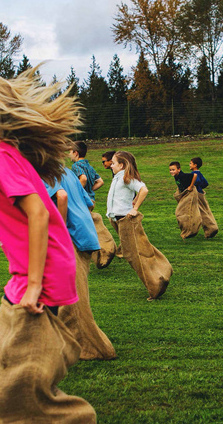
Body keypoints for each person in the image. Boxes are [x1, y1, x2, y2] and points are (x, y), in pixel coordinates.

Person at [0, 67, 110, 424]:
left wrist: (37, 283)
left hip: (39, 275)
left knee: (18, 372)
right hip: (26, 273)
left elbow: (40, 213)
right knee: (0, 361)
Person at [46, 166, 116, 360]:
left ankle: (93, 347)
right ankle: (66, 341)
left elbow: (61, 196)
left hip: (70, 238)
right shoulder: (66, 171)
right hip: (84, 235)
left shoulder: (44, 171)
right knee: (71, 291)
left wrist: (60, 230)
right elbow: (89, 203)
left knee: (73, 295)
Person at [107, 151, 172, 300]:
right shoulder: (118, 178)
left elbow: (144, 189)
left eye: (113, 163)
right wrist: (134, 200)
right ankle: (160, 275)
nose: (111, 165)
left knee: (134, 254)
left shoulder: (126, 178)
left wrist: (135, 208)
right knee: (136, 252)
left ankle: (156, 284)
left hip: (126, 220)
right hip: (118, 219)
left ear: (121, 165)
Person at [169, 161, 202, 239]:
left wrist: (191, 186)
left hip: (190, 193)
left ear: (179, 169)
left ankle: (188, 231)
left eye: (173, 170)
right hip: (184, 193)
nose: (171, 172)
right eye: (170, 170)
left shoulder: (182, 175)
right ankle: (187, 230)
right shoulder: (176, 176)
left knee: (180, 212)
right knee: (182, 212)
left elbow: (195, 175)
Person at [189, 156, 218, 238]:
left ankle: (211, 229)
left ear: (195, 165)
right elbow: (205, 183)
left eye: (190, 163)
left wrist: (193, 186)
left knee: (201, 212)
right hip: (201, 193)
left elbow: (196, 181)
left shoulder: (193, 174)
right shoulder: (199, 173)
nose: (189, 165)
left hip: (196, 194)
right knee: (206, 210)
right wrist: (200, 187)